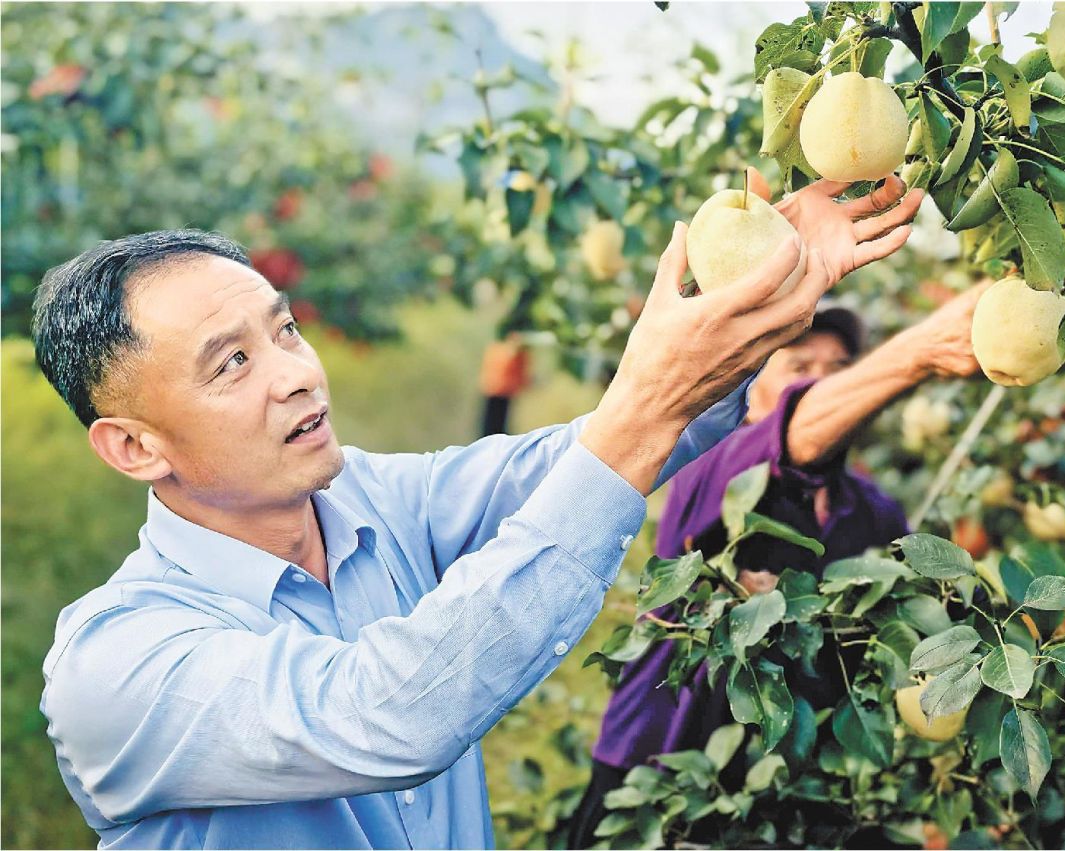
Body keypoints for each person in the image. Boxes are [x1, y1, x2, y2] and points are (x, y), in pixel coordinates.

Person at [32, 173, 922, 848]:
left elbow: (584, 460)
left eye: (285, 328)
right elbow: (391, 712)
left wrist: (755, 309)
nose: (297, 372)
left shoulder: (375, 500)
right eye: (230, 363)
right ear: (135, 447)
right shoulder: (115, 667)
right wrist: (643, 405)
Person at [568, 275, 988, 846]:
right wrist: (918, 352)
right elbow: (795, 435)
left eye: (839, 369)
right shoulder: (713, 463)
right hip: (660, 774)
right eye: (799, 367)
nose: (822, 382)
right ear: (753, 387)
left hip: (785, 789)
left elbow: (918, 620)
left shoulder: (872, 511)